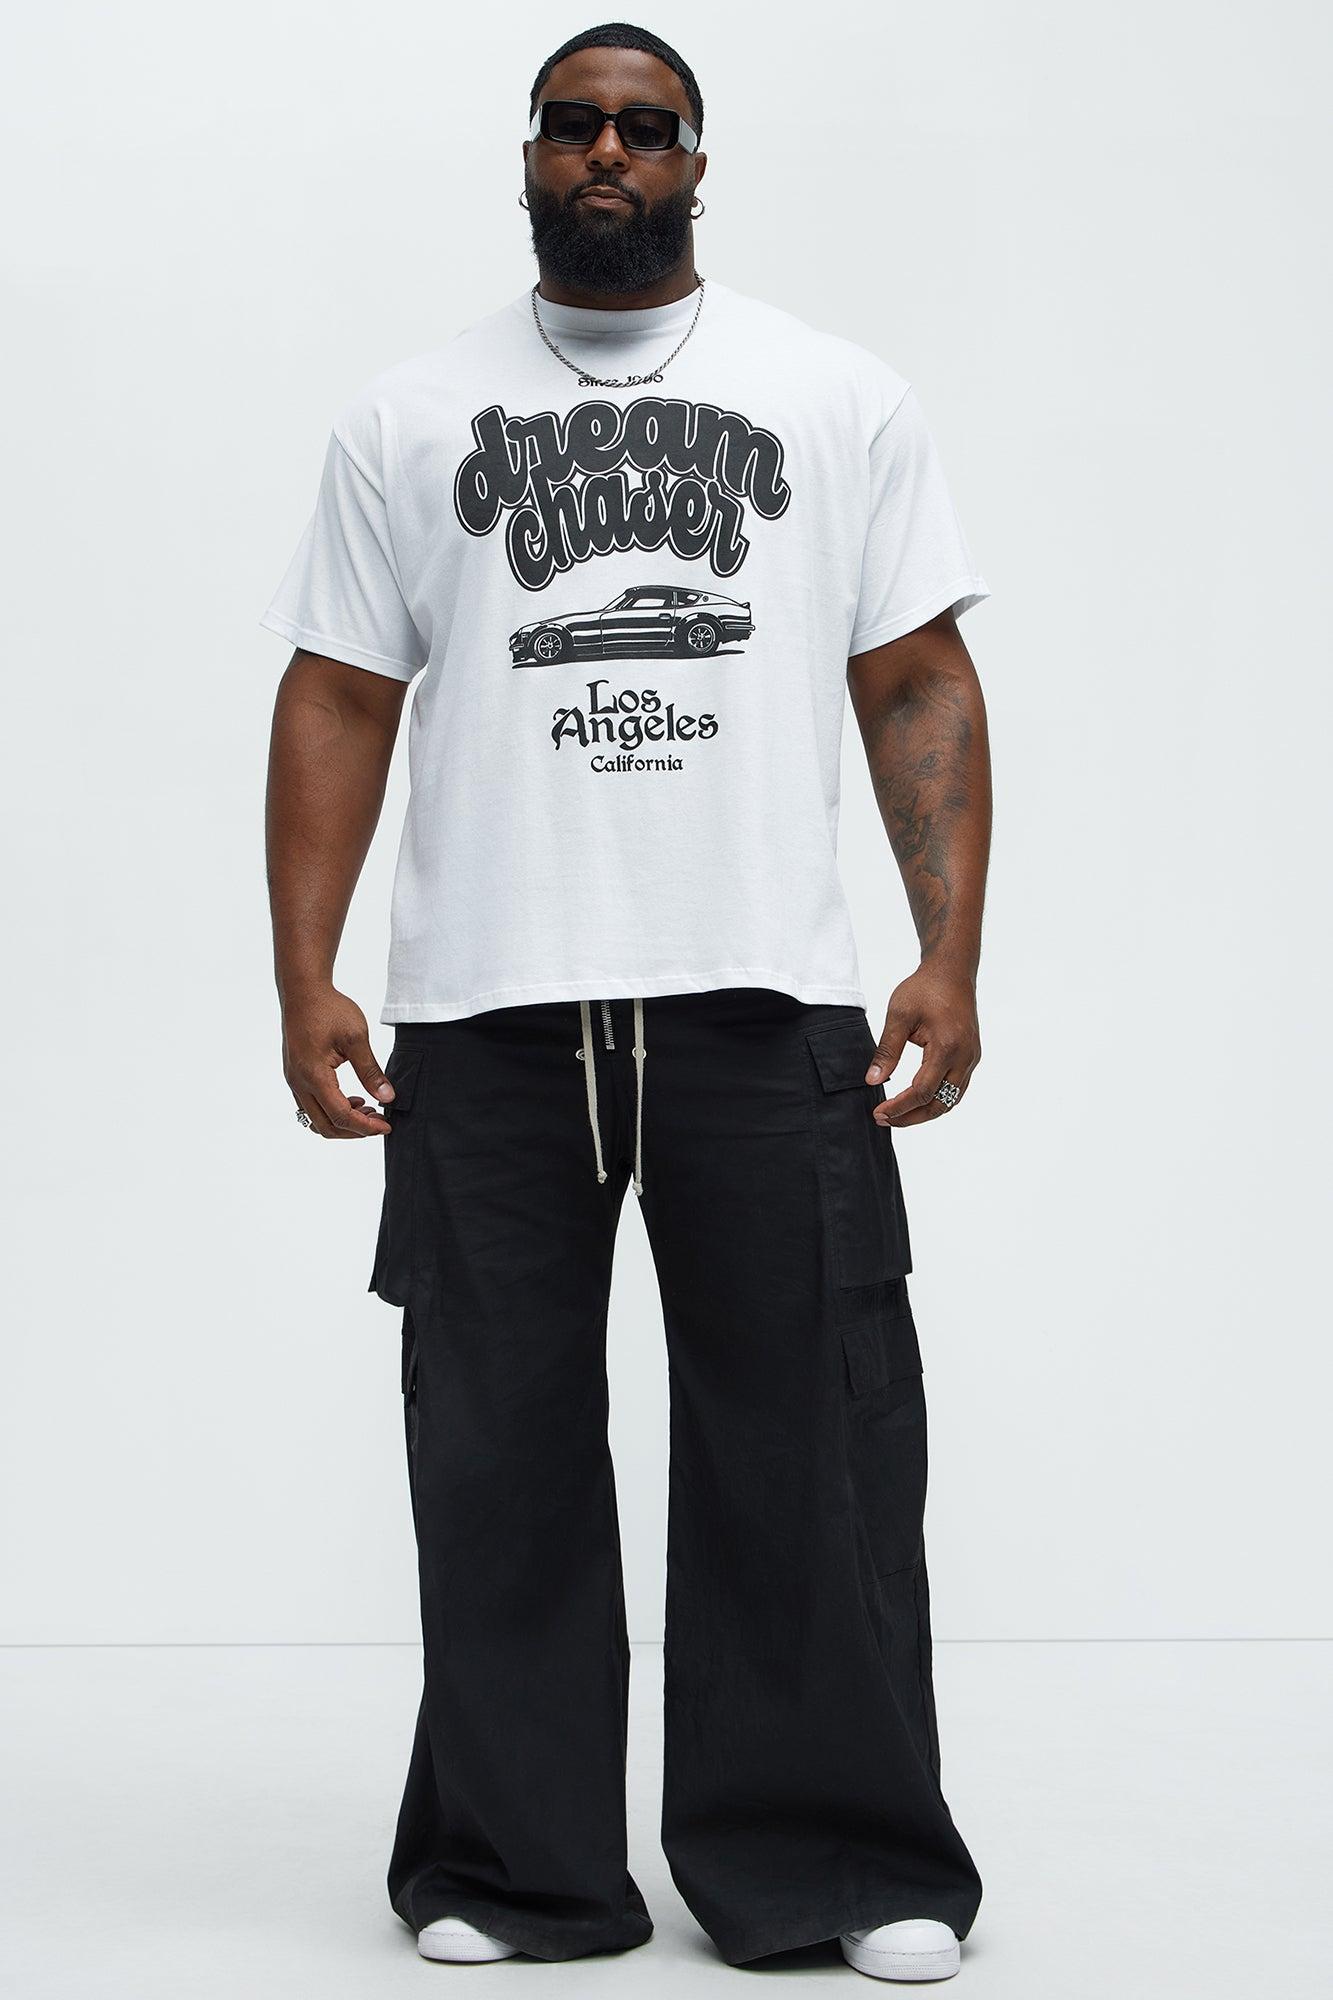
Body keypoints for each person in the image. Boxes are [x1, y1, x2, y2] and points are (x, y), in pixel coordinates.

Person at [261, 18, 992, 1983]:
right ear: (525, 156)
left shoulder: (832, 394)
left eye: (645, 128)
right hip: (487, 1011)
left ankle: (839, 1865)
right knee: (493, 1451)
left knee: (812, 1440)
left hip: (766, 1001)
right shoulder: (408, 416)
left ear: (694, 163)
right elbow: (339, 691)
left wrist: (945, 950)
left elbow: (913, 676)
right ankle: (513, 1869)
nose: (607, 153)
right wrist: (305, 974)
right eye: (573, 124)